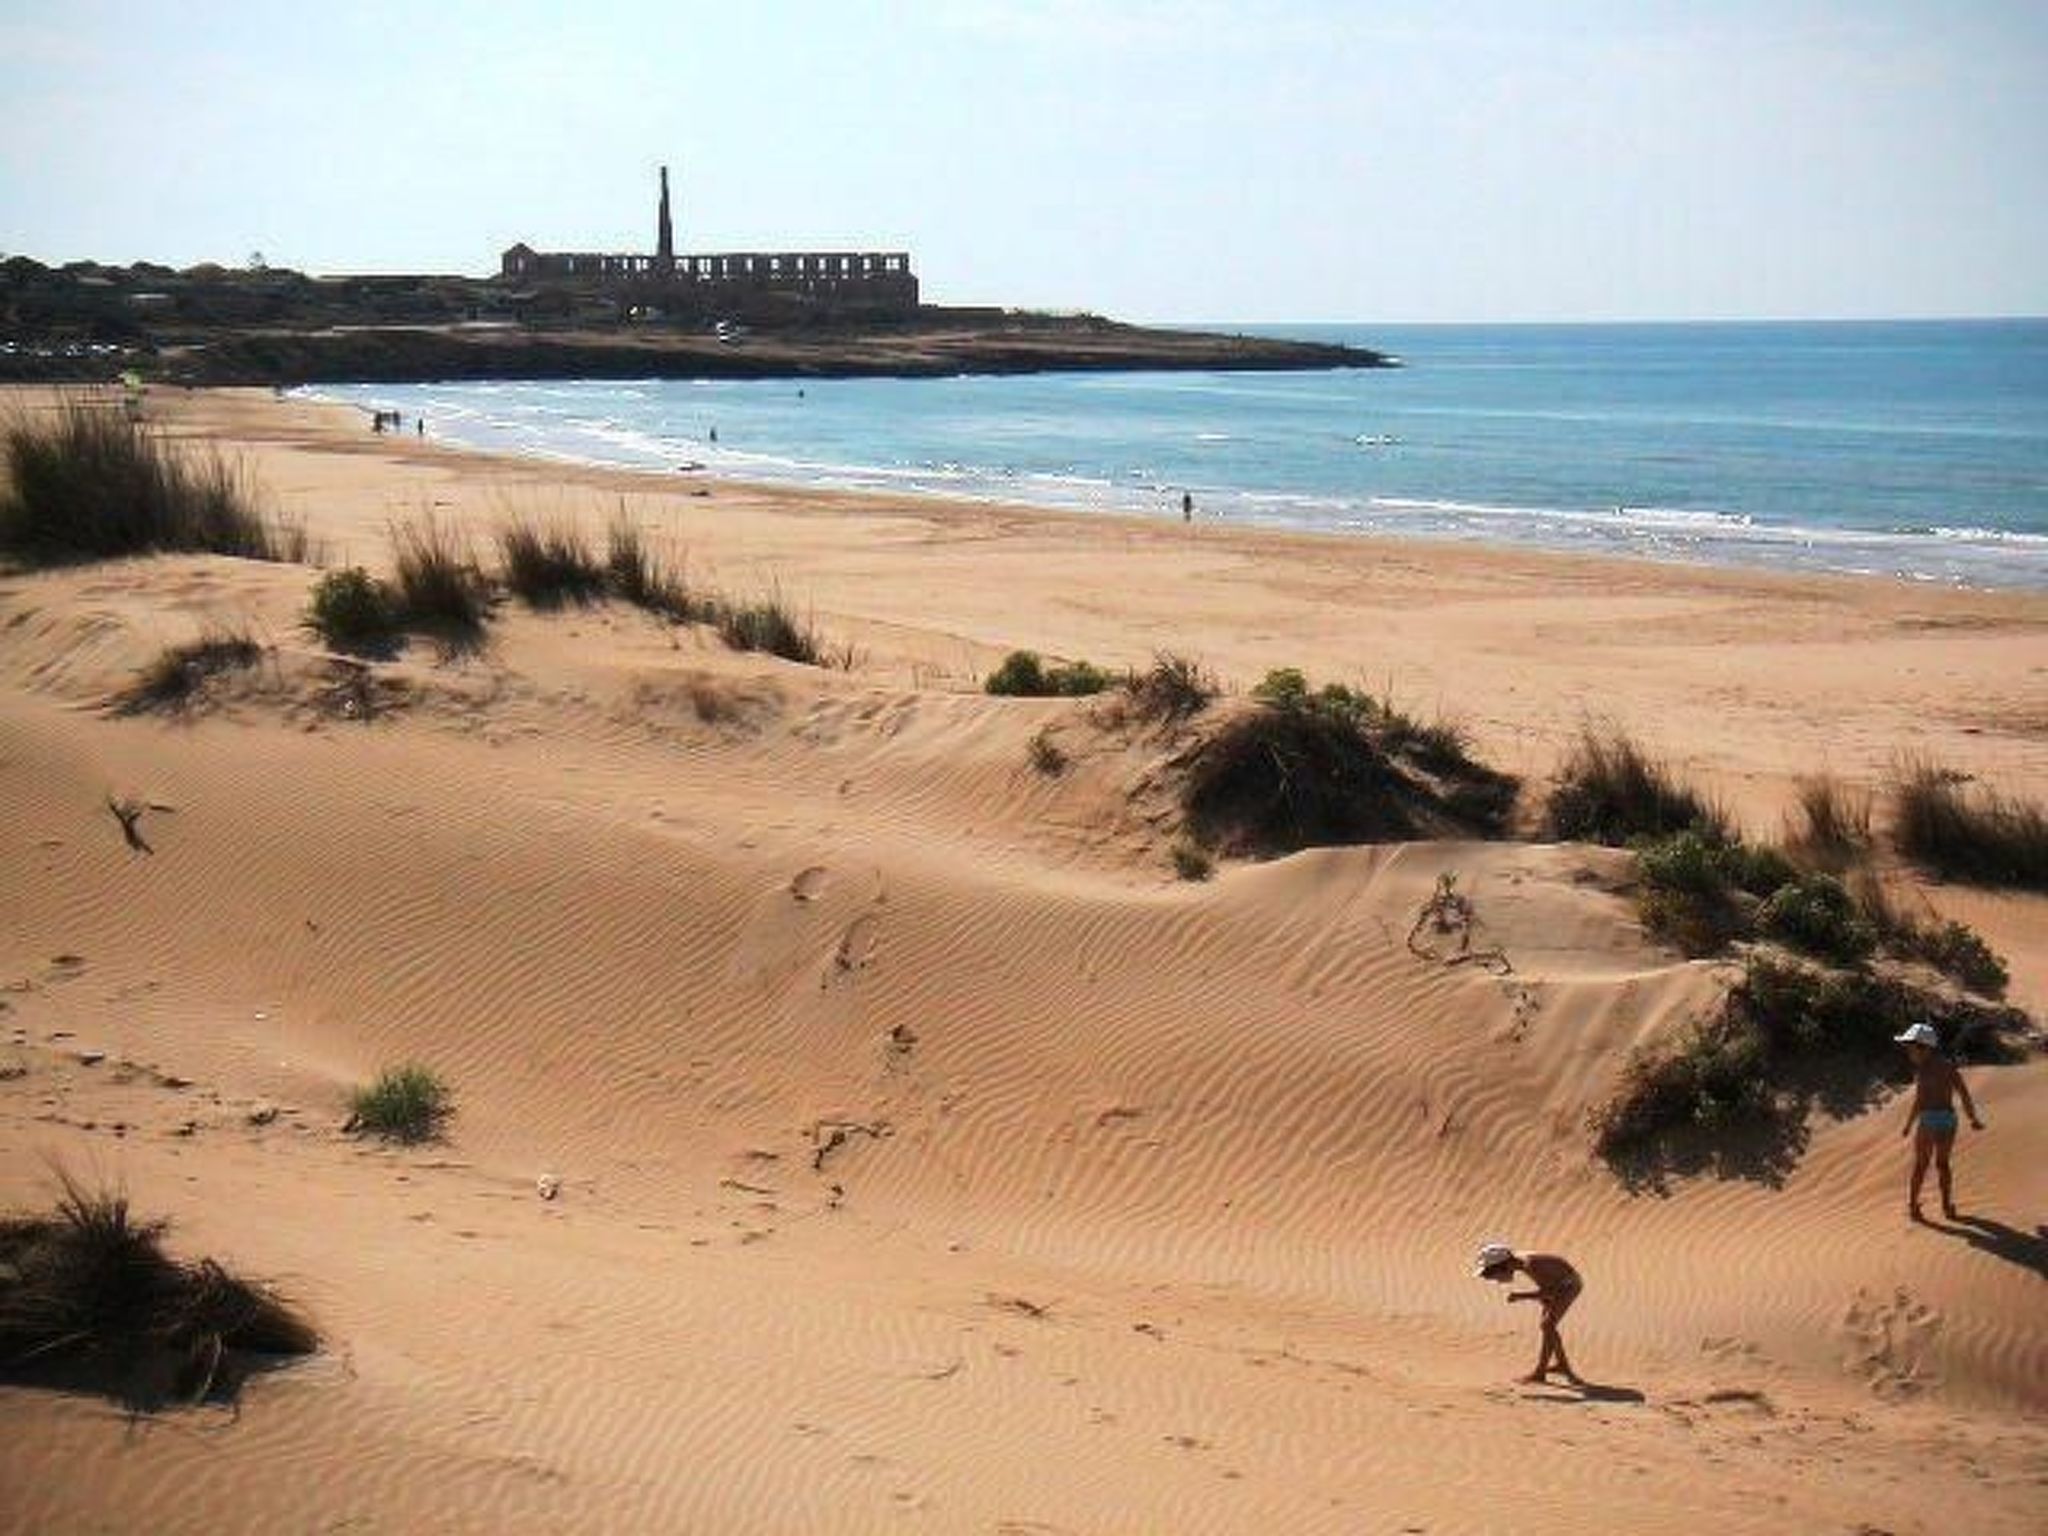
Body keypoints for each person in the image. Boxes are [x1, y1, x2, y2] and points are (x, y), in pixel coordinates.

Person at [1896, 1022, 1983, 1221]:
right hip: (1949, 1121)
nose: (1908, 1052)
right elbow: (1964, 1094)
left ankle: (1914, 1207)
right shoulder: (1949, 1067)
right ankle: (1947, 1207)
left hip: (1928, 1120)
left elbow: (1919, 1101)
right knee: (1943, 1164)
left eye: (1911, 1048)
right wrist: (1973, 1118)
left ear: (1924, 1048)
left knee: (1921, 1165)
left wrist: (1909, 1124)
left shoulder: (1923, 1070)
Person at [1474, 1241, 1583, 1385]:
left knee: (1547, 1325)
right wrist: (1542, 1297)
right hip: (1557, 1283)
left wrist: (1520, 1296)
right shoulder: (1519, 1261)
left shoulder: (1529, 1264)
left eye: (1494, 1273)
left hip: (1569, 1285)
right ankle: (1558, 1366)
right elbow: (1547, 1284)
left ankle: (1547, 1372)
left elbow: (1551, 1291)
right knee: (1547, 1325)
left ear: (1504, 1264)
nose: (1496, 1279)